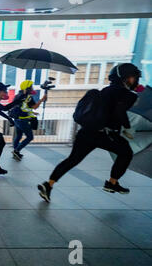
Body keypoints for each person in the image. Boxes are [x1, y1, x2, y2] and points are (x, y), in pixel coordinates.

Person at [37, 63, 142, 202]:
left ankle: (48, 184)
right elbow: (120, 112)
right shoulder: (128, 95)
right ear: (125, 78)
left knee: (72, 160)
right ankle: (112, 182)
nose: (135, 81)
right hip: (105, 135)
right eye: (133, 77)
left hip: (86, 132)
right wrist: (127, 127)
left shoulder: (105, 90)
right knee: (126, 153)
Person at [11, 80, 47, 161]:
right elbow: (34, 106)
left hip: (17, 119)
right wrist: (42, 100)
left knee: (18, 136)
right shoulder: (28, 97)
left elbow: (23, 108)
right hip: (23, 121)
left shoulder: (17, 96)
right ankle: (16, 151)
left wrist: (32, 113)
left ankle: (15, 151)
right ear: (27, 88)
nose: (32, 88)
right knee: (30, 137)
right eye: (31, 87)